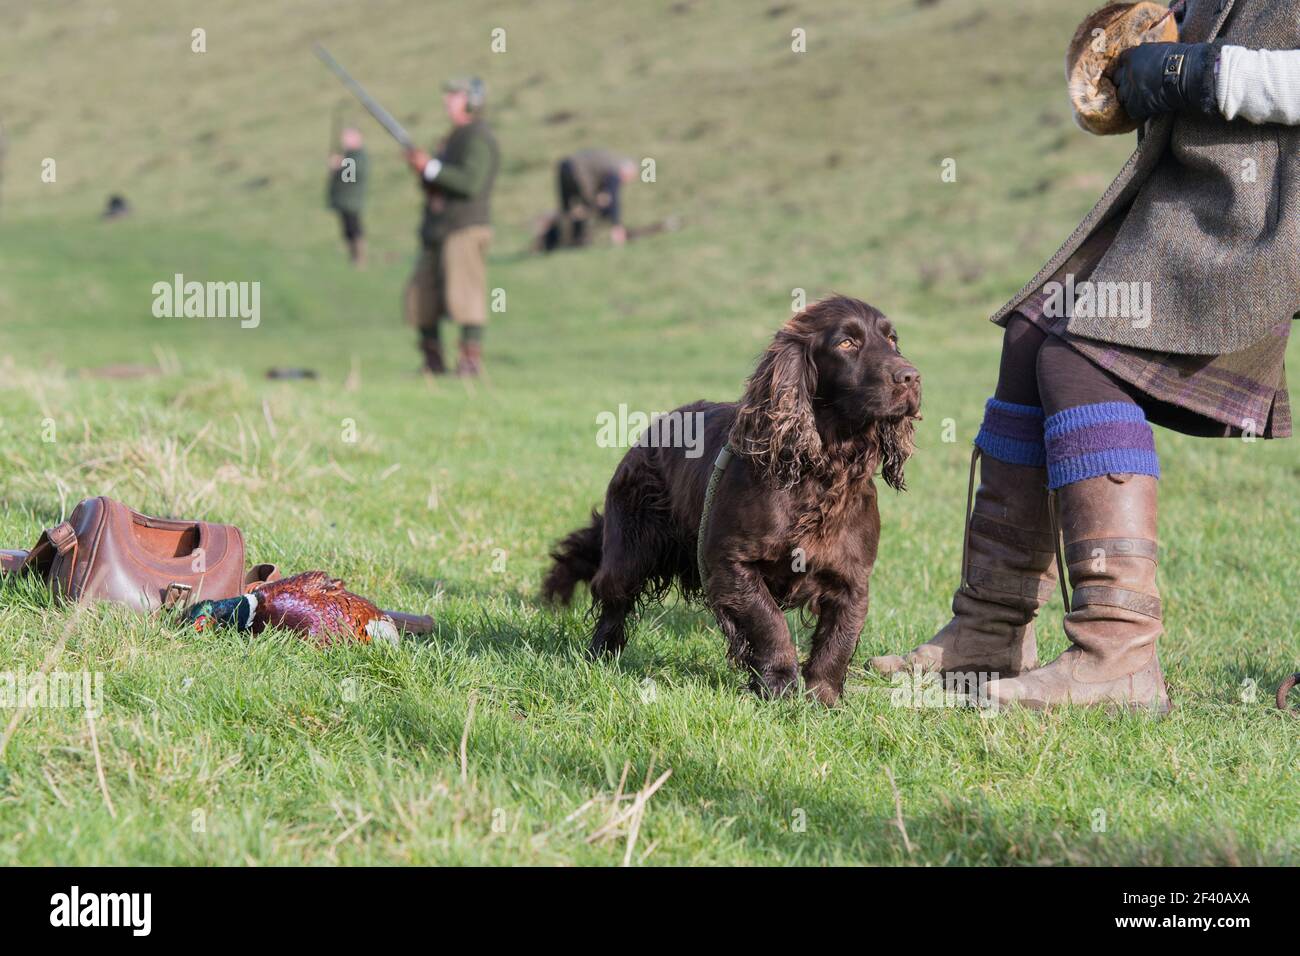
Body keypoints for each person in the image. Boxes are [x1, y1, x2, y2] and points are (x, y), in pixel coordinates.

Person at [870, 0, 1299, 711]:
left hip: (1269, 211)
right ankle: (991, 628)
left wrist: (1211, 76)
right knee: (1032, 339)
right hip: (1197, 192)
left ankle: (1119, 656)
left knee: (1081, 359)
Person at [403, 76, 499, 377]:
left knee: (466, 295)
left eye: (455, 95)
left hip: (465, 227)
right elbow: (438, 185)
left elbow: (470, 183)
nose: (448, 100)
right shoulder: (453, 137)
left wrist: (430, 167)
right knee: (421, 295)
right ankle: (433, 362)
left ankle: (470, 363)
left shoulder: (478, 137)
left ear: (471, 100)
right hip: (438, 229)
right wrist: (423, 169)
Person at [543, 149, 637, 251]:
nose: (625, 182)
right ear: (626, 171)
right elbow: (612, 198)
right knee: (587, 207)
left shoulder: (608, 161)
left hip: (564, 167)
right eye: (629, 178)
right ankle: (577, 241)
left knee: (567, 210)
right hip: (578, 172)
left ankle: (554, 241)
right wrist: (616, 224)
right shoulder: (615, 170)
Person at [326, 127, 369, 266]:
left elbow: (348, 177)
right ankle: (354, 256)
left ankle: (359, 257)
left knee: (354, 228)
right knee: (349, 229)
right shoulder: (351, 155)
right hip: (348, 199)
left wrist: (337, 165)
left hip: (351, 199)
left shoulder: (355, 156)